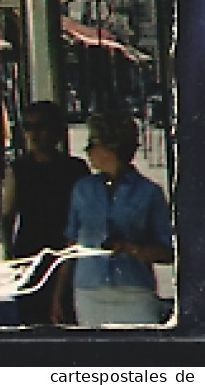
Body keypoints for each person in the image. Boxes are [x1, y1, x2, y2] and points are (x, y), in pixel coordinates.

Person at [53, 111, 173, 326]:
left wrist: (133, 249)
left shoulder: (148, 193)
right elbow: (70, 246)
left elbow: (167, 251)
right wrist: (58, 297)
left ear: (110, 148)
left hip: (134, 288)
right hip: (89, 289)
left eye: (92, 143)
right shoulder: (82, 190)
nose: (88, 151)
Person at [0, 101, 88, 324]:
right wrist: (8, 252)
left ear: (56, 131)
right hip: (31, 249)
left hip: (66, 249)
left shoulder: (75, 169)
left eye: (41, 126)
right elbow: (7, 215)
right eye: (28, 127)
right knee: (33, 315)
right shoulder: (19, 169)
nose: (35, 134)